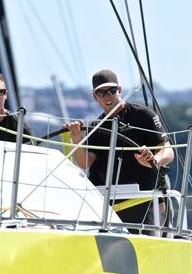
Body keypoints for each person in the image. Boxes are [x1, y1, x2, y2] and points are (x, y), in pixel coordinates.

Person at [64, 69, 174, 231]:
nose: (107, 96)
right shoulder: (97, 126)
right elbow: (84, 162)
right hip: (108, 204)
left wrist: (154, 160)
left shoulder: (143, 115)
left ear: (119, 90)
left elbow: (168, 150)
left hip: (143, 198)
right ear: (95, 97)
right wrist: (76, 138)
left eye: (112, 90)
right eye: (101, 93)